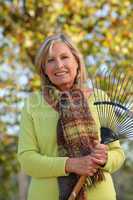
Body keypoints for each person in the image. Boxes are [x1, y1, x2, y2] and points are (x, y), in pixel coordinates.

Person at [17, 33, 125, 200]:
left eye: (64, 57)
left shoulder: (100, 98)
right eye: (50, 60)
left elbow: (117, 154)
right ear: (44, 69)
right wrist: (71, 165)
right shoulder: (33, 104)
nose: (59, 65)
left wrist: (105, 159)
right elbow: (27, 159)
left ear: (77, 62)